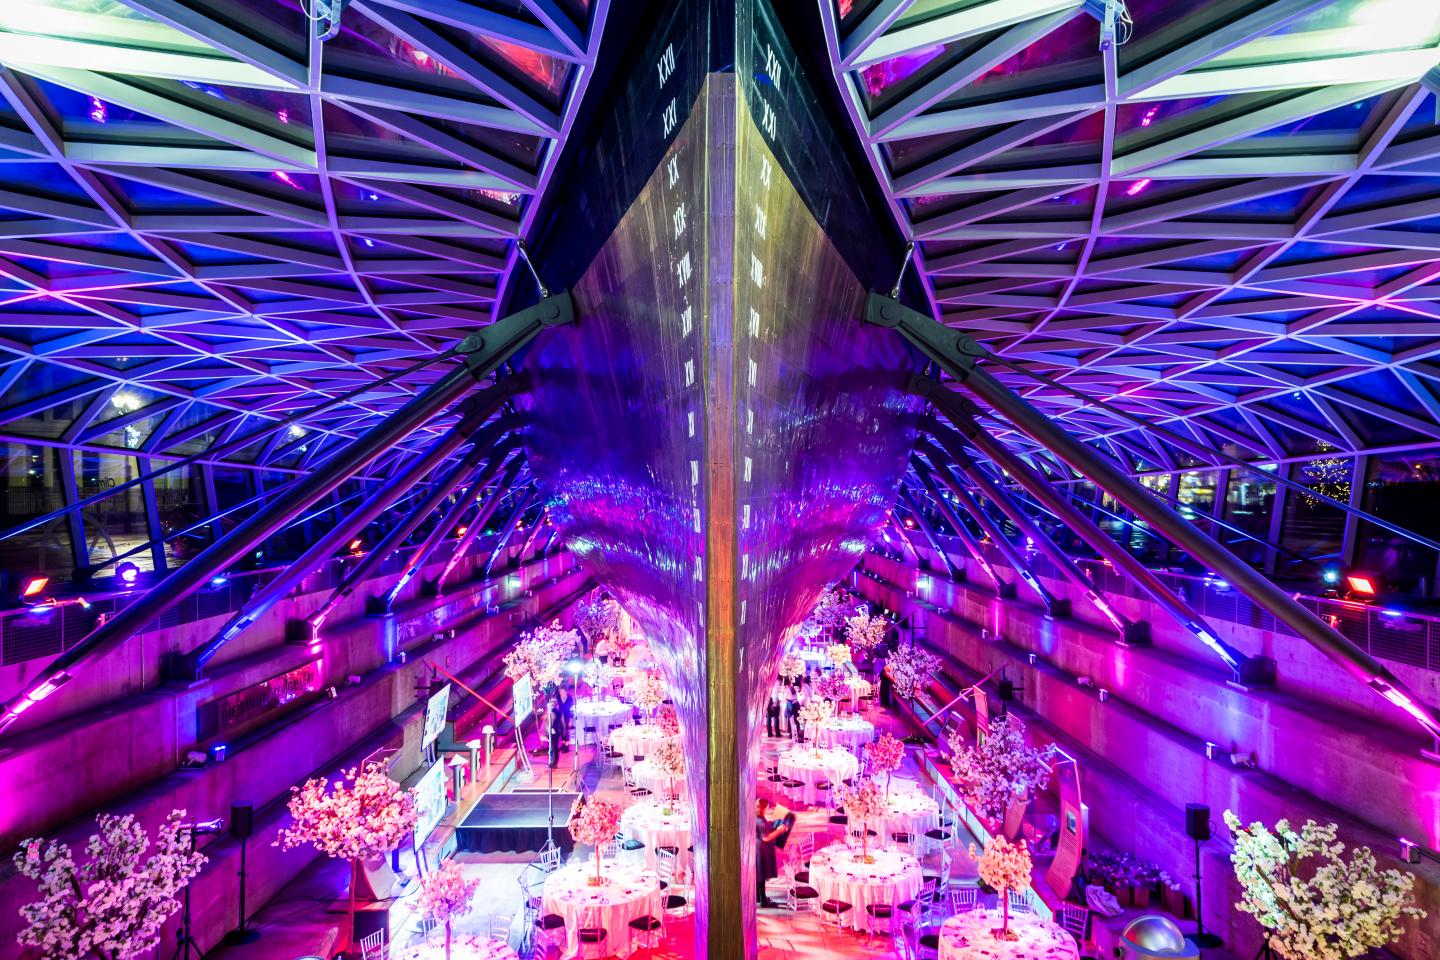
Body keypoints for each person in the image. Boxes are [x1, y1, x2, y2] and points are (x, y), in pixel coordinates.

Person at [755, 797, 788, 908]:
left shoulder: (757, 818)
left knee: (759, 874)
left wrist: (770, 823)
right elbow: (766, 838)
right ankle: (764, 901)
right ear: (763, 809)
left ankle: (759, 897)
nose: (769, 810)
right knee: (761, 874)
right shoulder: (760, 822)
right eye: (767, 808)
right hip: (762, 851)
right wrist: (779, 830)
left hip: (759, 850)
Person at [556, 682, 575, 752]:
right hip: (559, 716)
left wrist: (571, 720)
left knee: (565, 731)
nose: (561, 693)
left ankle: (566, 746)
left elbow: (571, 710)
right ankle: (563, 744)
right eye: (560, 691)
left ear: (566, 691)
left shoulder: (569, 699)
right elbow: (556, 706)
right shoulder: (558, 697)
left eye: (563, 692)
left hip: (567, 716)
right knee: (561, 731)